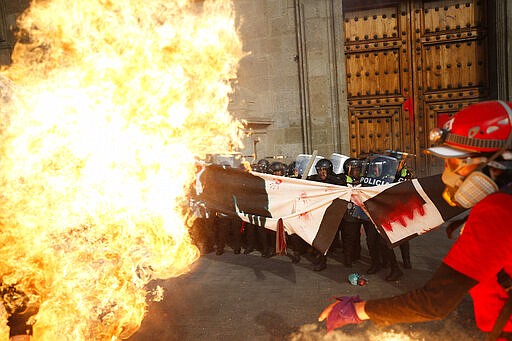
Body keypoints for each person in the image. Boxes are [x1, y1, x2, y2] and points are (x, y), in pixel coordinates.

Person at [319, 100, 512, 339]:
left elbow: (434, 302)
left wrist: (356, 310)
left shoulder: (499, 211)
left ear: (497, 163)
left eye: (454, 162)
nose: (447, 173)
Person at [307, 158, 346, 271]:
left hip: (332, 213)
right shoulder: (316, 179)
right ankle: (320, 257)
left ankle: (324, 259)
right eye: (319, 170)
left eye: (324, 170)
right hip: (319, 213)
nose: (321, 172)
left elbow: (341, 183)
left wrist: (327, 177)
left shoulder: (336, 179)